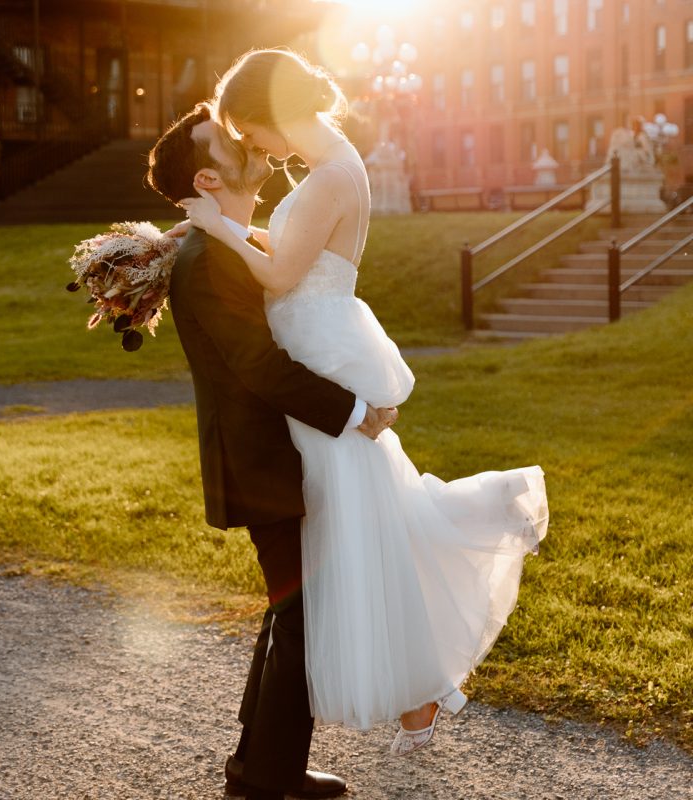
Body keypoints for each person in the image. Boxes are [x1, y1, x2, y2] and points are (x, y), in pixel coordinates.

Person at [180, 48, 550, 756]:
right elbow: (290, 254)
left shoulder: (330, 175)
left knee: (354, 529)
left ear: (272, 114)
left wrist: (216, 225)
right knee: (367, 522)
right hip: (318, 347)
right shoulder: (334, 166)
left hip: (315, 356)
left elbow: (283, 273)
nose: (252, 147)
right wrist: (221, 231)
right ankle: (403, 698)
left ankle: (390, 698)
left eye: (250, 132)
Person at [146, 102, 397, 800]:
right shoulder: (208, 261)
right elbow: (260, 366)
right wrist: (356, 411)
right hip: (259, 459)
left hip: (270, 455)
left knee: (294, 608)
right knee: (304, 613)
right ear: (206, 175)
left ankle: (259, 765)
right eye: (224, 139)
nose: (241, 136)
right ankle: (267, 778)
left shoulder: (217, 246)